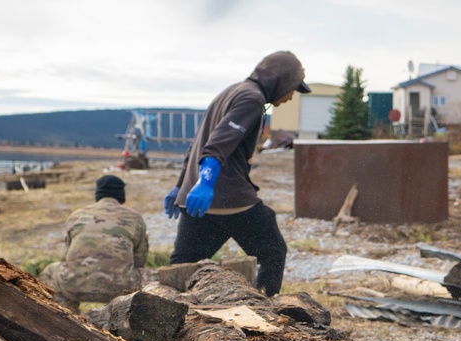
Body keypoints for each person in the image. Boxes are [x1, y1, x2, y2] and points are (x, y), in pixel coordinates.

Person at [164, 50, 310, 296]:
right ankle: (265, 307)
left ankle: (164, 309)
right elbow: (216, 144)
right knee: (273, 252)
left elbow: (197, 142)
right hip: (227, 198)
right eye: (293, 89)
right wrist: (206, 183)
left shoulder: (231, 91)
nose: (291, 96)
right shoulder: (251, 99)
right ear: (280, 82)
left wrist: (182, 185)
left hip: (197, 199)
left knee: (182, 267)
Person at [41, 175, 149, 312]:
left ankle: (67, 315)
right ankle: (126, 315)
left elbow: (67, 256)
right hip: (121, 288)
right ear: (121, 194)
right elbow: (140, 260)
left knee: (50, 271)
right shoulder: (135, 218)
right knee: (151, 277)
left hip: (74, 286)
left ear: (98, 194)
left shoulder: (77, 215)